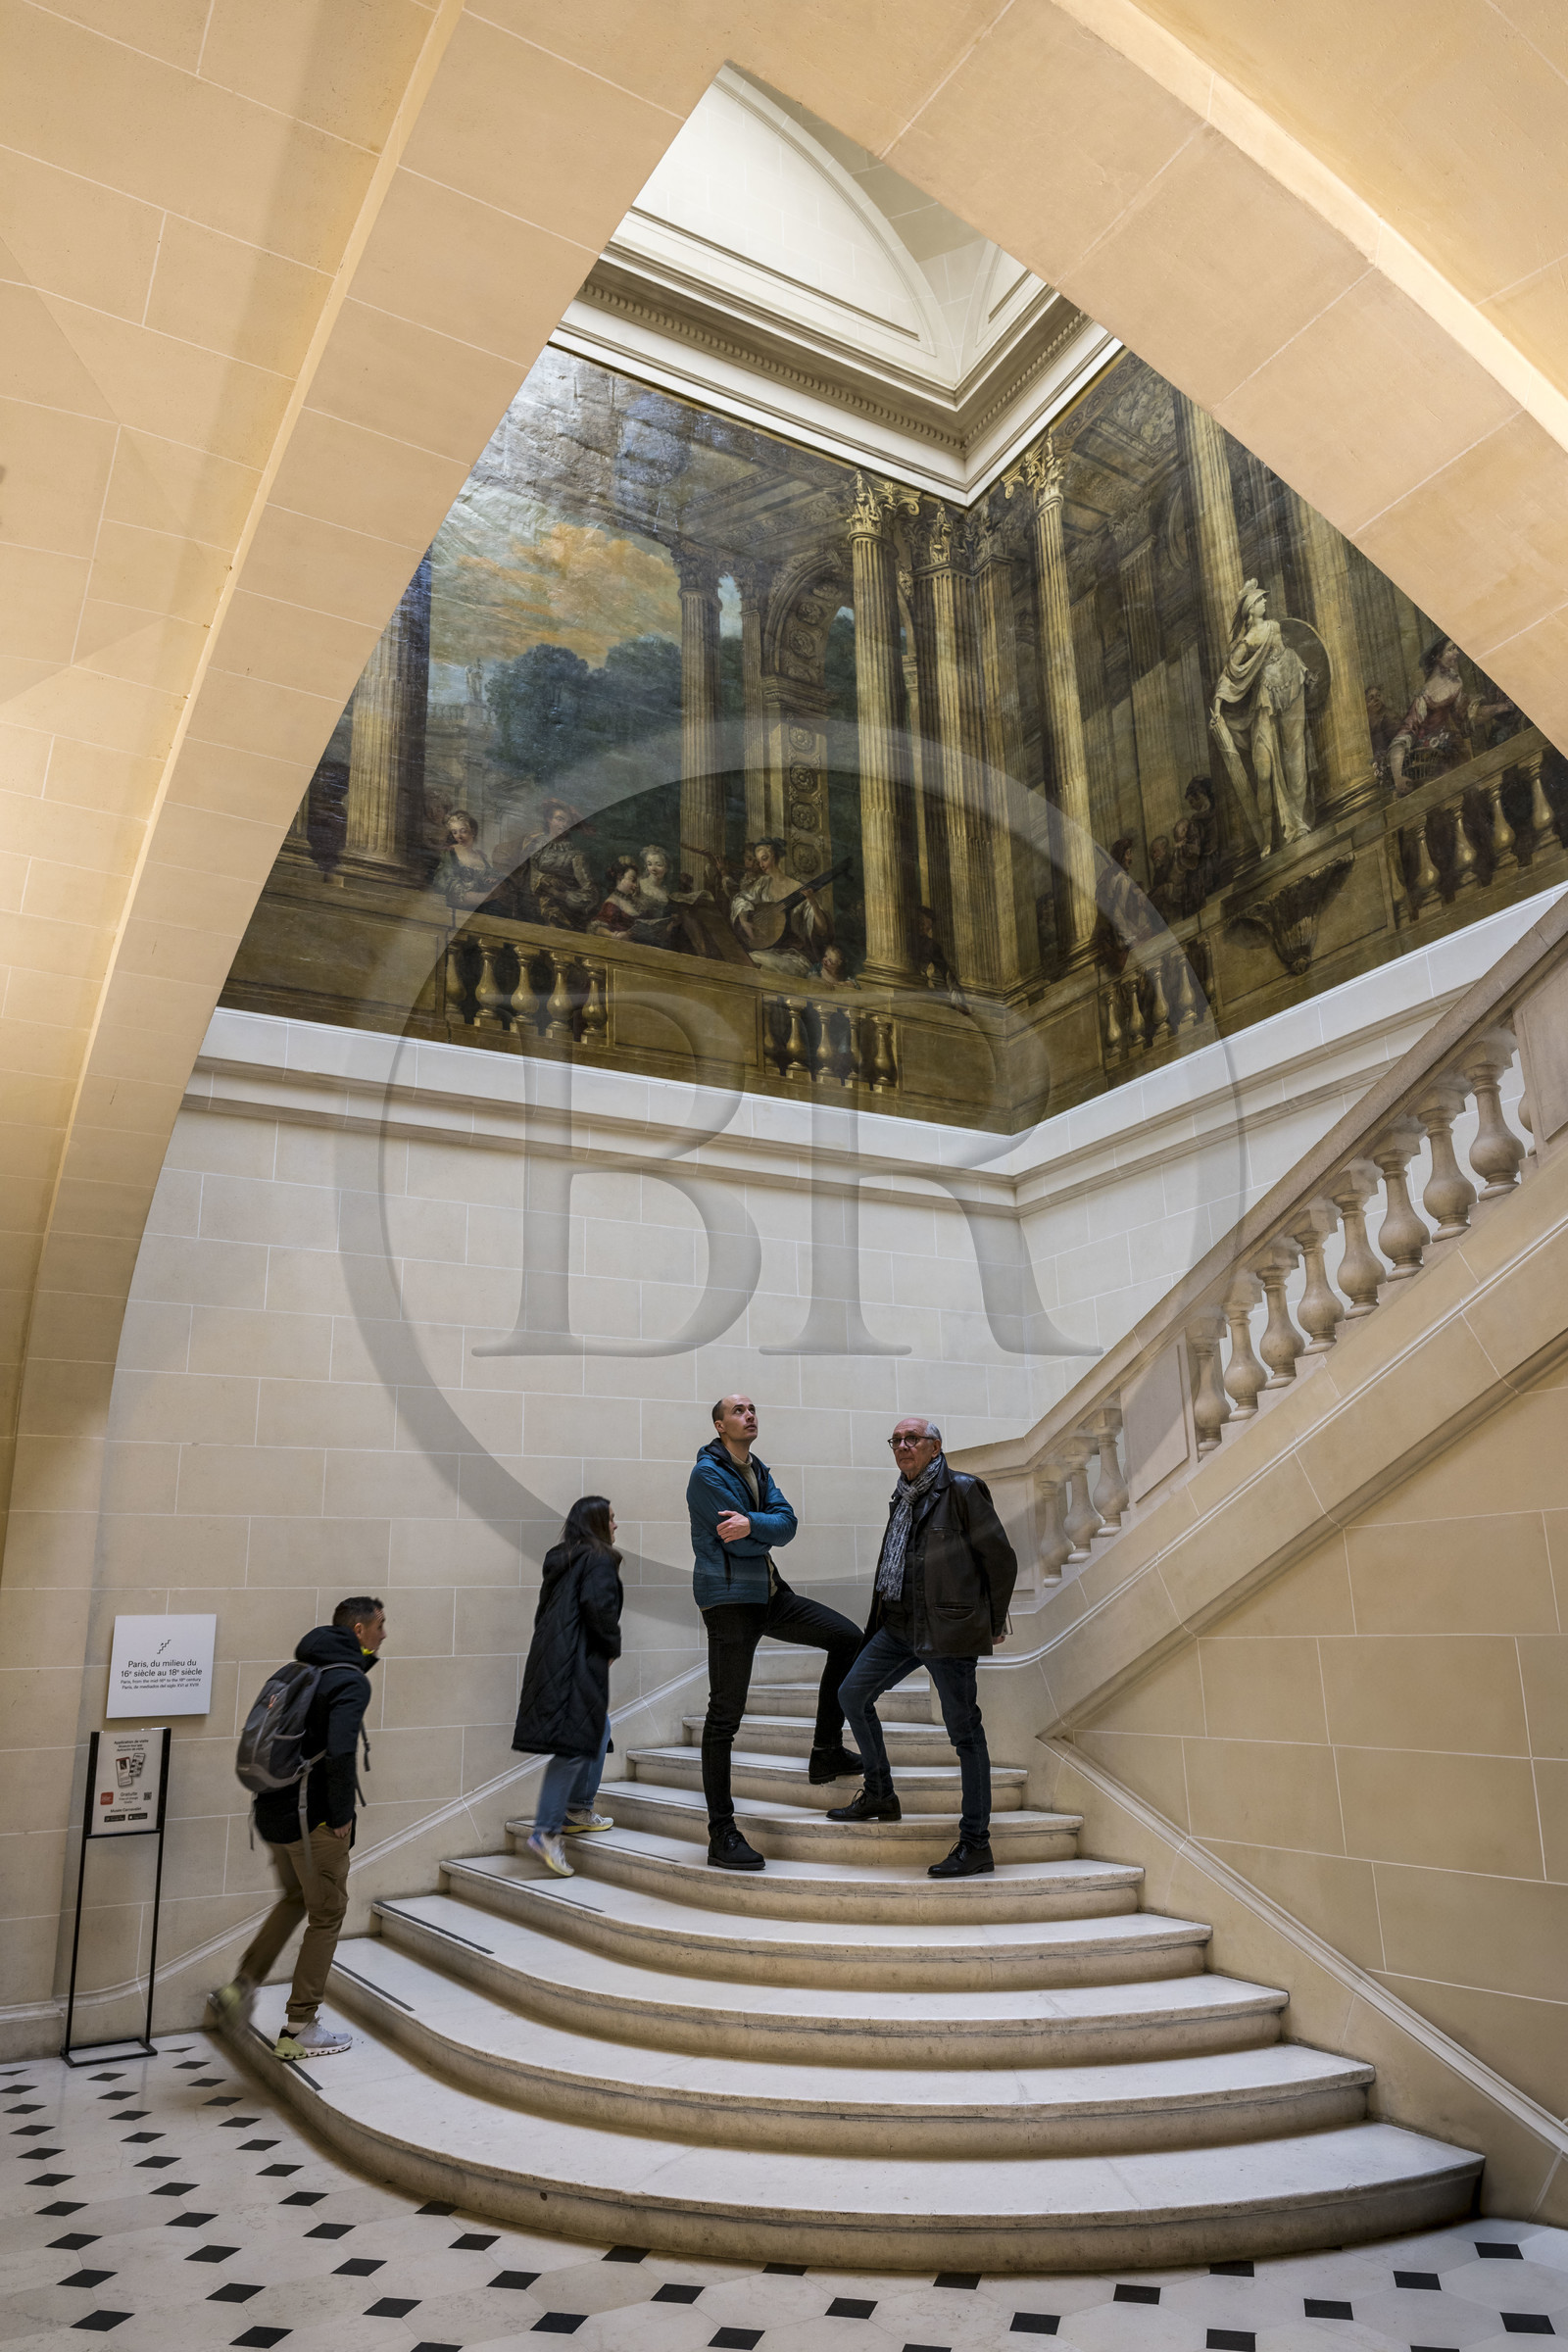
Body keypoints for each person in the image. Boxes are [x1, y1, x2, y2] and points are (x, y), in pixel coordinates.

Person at [832, 1418, 1016, 1880]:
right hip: (898, 1626)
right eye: (896, 1440)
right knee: (851, 1694)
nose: (902, 1446)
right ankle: (880, 1793)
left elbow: (1000, 1560)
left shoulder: (963, 1490)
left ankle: (976, 1844)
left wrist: (992, 1622)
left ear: (935, 1447)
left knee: (965, 1735)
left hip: (948, 1630)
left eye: (912, 1439)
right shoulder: (902, 1495)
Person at [688, 1396, 862, 1871]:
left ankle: (826, 1750)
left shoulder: (758, 1470)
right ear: (720, 1425)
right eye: (738, 1410)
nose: (749, 1415)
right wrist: (759, 1530)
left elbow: (787, 1526)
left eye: (752, 1409)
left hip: (770, 1595)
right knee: (724, 1717)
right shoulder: (706, 1475)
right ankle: (721, 1832)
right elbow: (740, 1544)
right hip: (730, 1601)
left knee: (848, 1638)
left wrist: (754, 1525)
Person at [211, 1597, 385, 2059]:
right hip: (315, 1821)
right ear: (359, 1630)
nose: (384, 1634)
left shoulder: (299, 1670)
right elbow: (341, 1752)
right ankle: (300, 2026)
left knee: (294, 1898)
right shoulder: (348, 1680)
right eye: (380, 1625)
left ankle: (241, 1987)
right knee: (327, 1913)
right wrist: (342, 1815)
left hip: (272, 1813)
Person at [513, 1495, 624, 1878]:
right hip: (578, 1659)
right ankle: (546, 1832)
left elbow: (544, 1612)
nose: (616, 1525)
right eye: (611, 1518)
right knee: (573, 1748)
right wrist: (611, 1647)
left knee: (596, 1729)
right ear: (596, 1523)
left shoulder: (565, 1559)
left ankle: (577, 1807)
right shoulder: (599, 1559)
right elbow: (599, 1609)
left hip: (553, 1657)